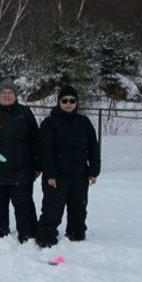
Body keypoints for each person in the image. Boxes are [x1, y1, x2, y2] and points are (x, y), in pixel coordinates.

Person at [0, 79, 40, 243]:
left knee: (24, 204)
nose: (7, 95)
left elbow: (37, 139)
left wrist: (38, 164)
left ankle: (28, 234)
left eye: (10, 92)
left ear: (16, 95)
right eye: (3, 92)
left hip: (22, 170)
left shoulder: (24, 112)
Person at [36, 85, 100, 248]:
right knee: (52, 209)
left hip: (79, 174)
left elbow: (93, 147)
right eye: (64, 100)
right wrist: (50, 173)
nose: (68, 103)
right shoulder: (49, 123)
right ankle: (46, 237)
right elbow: (45, 150)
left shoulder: (84, 122)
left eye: (72, 100)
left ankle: (76, 235)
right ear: (59, 102)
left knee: (78, 208)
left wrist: (93, 171)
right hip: (57, 176)